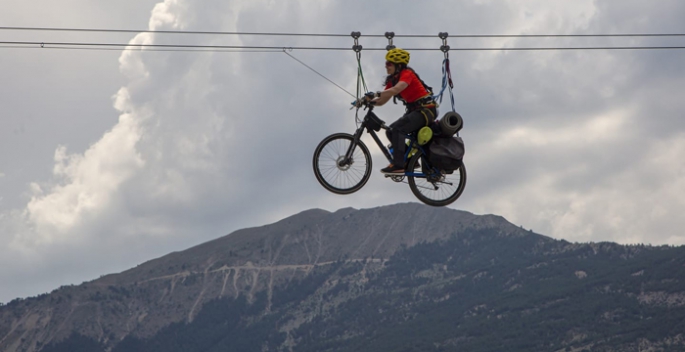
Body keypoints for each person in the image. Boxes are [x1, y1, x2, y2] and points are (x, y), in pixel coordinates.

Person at [360, 48, 437, 174]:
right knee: (391, 131)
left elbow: (396, 90)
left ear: (399, 65)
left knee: (398, 129)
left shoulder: (407, 74)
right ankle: (409, 161)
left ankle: (398, 164)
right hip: (415, 111)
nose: (386, 67)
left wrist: (376, 94)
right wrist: (368, 101)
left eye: (389, 64)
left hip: (426, 110)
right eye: (386, 64)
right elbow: (382, 100)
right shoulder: (392, 80)